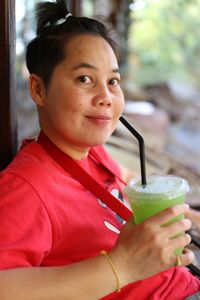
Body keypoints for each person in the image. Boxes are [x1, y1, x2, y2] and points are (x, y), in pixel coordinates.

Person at [0, 0, 200, 299]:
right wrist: (122, 266)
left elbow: (125, 178)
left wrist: (189, 217)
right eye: (84, 79)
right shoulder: (26, 188)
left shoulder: (89, 153)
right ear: (38, 90)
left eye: (113, 81)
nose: (106, 96)